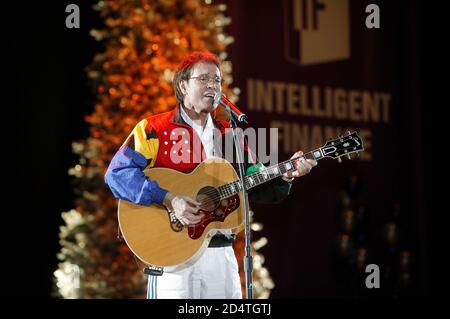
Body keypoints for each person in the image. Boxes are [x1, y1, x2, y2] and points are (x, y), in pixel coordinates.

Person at [104, 51, 317, 299]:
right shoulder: (154, 129)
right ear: (183, 85)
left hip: (221, 255)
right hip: (172, 257)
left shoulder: (230, 135)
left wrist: (286, 174)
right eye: (203, 79)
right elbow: (118, 173)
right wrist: (169, 198)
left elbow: (255, 182)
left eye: (217, 80)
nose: (212, 86)